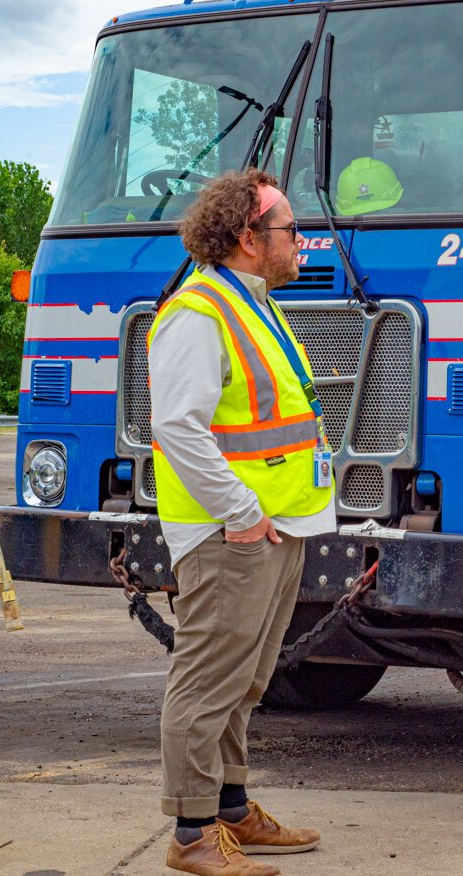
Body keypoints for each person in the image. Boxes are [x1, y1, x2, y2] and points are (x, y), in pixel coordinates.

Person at [149, 169, 334, 875]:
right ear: (249, 238)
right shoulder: (199, 313)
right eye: (290, 229)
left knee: (243, 681)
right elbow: (179, 429)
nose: (301, 241)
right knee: (206, 683)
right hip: (232, 534)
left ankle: (229, 812)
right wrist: (243, 513)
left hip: (270, 529)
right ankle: (193, 836)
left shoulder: (248, 302)